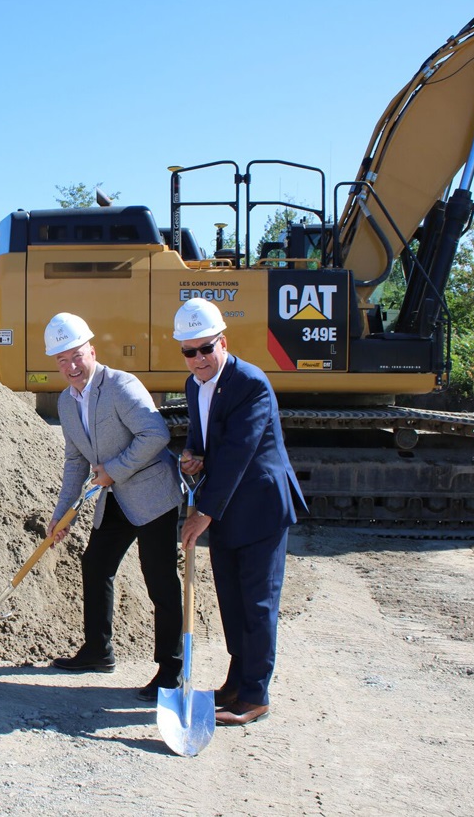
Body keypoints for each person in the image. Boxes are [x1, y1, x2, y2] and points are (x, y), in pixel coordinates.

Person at [174, 298, 306, 726]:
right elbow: (204, 439)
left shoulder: (251, 382)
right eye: (188, 351)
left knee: (257, 603)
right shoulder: (195, 386)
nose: (198, 359)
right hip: (227, 508)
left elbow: (237, 453)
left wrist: (202, 513)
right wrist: (192, 455)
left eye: (205, 348)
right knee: (232, 601)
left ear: (222, 343)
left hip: (260, 508)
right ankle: (236, 682)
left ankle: (255, 696)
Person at [43, 312, 184, 701]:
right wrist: (63, 513)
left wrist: (114, 470)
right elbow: (75, 461)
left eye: (76, 356)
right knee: (96, 564)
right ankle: (97, 651)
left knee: (159, 581)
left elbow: (156, 434)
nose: (71, 366)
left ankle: (171, 671)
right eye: (61, 360)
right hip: (117, 496)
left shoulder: (120, 385)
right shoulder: (67, 402)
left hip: (152, 494)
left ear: (91, 349)